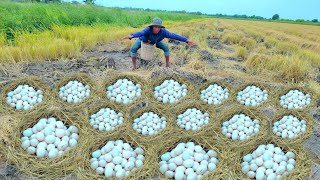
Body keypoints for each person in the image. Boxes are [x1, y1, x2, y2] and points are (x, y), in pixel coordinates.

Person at [123, 17, 197, 70]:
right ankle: (134, 66)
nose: (157, 29)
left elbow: (174, 36)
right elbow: (140, 33)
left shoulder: (164, 32)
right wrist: (132, 35)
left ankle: (167, 65)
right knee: (133, 49)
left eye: (159, 27)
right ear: (152, 27)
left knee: (166, 48)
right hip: (143, 41)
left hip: (155, 42)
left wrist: (186, 40)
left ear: (161, 28)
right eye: (155, 27)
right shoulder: (148, 29)